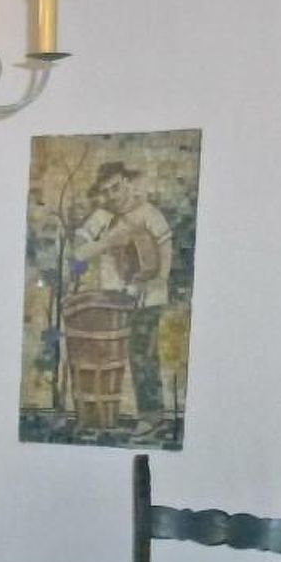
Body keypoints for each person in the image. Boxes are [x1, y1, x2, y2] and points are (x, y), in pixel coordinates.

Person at [72, 162, 174, 419]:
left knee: (142, 355)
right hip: (112, 300)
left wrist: (160, 279)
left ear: (127, 183)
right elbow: (78, 253)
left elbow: (165, 248)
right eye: (106, 191)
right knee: (106, 354)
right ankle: (107, 415)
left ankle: (151, 417)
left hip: (146, 298)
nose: (112, 195)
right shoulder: (101, 217)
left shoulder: (148, 213)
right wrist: (108, 241)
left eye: (116, 187)